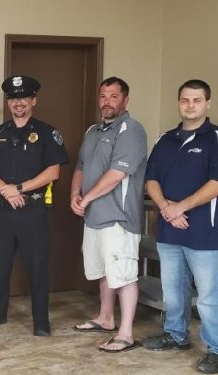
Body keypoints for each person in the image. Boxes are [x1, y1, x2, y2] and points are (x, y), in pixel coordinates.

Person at [142, 80, 218, 374]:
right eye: (185, 100)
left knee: (209, 296)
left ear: (207, 103)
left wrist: (179, 207)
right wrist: (165, 209)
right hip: (170, 229)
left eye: (197, 100)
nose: (190, 105)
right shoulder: (165, 139)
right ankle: (175, 335)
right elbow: (151, 179)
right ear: (178, 103)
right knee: (173, 290)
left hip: (204, 232)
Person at [0, 75, 68, 336]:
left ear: (33, 100)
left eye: (23, 98)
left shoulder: (47, 133)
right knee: (1, 264)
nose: (18, 103)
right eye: (14, 98)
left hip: (32, 212)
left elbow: (53, 172)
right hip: (4, 213)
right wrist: (6, 192)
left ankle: (41, 320)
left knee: (38, 267)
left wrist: (18, 189)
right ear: (9, 103)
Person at [70, 77, 147, 353]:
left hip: (120, 218)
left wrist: (87, 198)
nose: (107, 102)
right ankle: (105, 318)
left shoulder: (131, 130)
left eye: (113, 96)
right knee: (104, 269)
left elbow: (117, 174)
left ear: (125, 100)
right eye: (103, 96)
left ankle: (125, 333)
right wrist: (75, 195)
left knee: (124, 273)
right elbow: (80, 166)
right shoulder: (93, 130)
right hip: (93, 216)